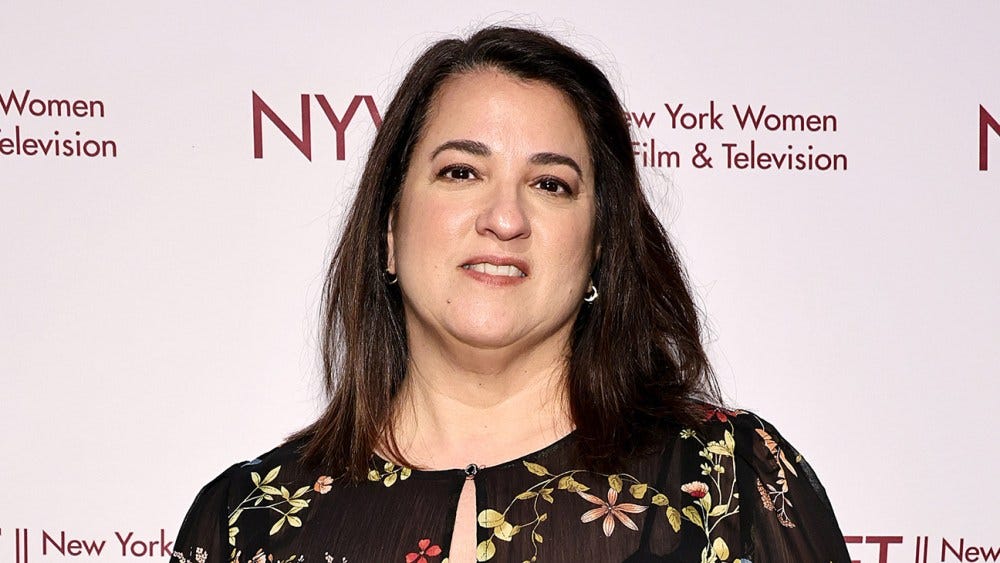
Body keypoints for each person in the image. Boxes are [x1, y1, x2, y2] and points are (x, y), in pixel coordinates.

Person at [170, 26, 850, 563]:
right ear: (389, 228)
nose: (504, 218)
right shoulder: (242, 524)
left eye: (550, 184)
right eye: (461, 172)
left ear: (600, 246)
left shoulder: (731, 483)